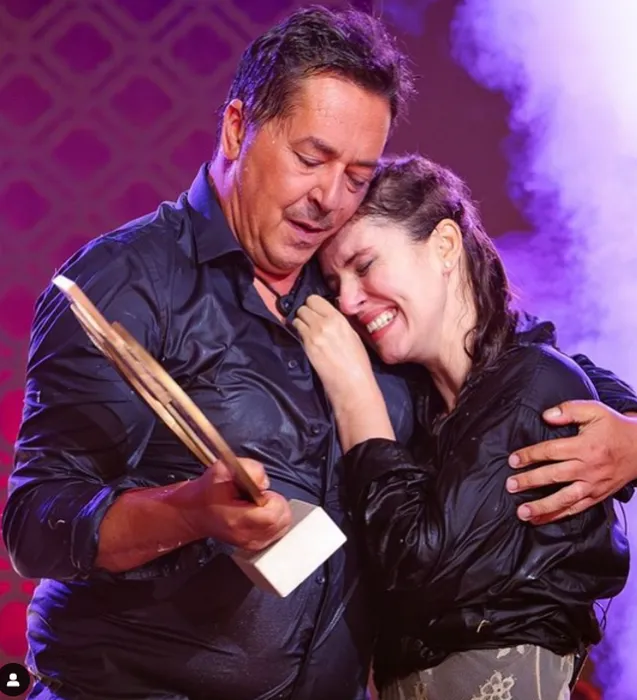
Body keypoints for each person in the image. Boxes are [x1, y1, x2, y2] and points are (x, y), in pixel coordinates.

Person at [1, 5, 636, 700]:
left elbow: (511, 362)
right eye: (310, 159)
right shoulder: (128, 282)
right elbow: (35, 523)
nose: (330, 199)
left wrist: (631, 437)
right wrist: (186, 512)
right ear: (238, 127)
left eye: (357, 176)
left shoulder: (360, 292)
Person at [293, 154, 633, 700]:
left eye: (365, 264)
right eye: (335, 284)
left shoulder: (530, 382)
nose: (348, 301)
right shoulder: (425, 398)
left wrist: (356, 397)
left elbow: (418, 565)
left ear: (446, 245)